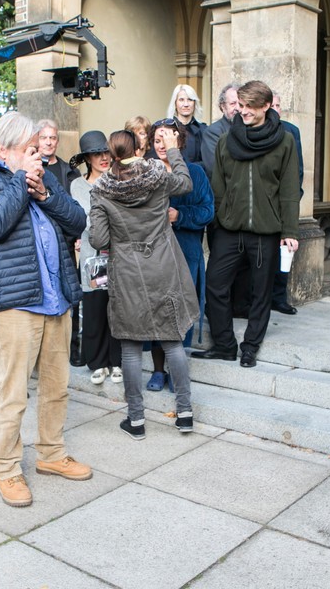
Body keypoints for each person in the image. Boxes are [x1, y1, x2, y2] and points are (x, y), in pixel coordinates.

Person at [0, 112, 92, 508]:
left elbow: (78, 220)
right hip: (14, 303)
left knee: (56, 386)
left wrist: (46, 195)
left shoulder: (44, 179)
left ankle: (52, 455)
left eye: (37, 148)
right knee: (13, 393)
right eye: (29, 149)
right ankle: (7, 470)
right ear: (4, 149)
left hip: (56, 298)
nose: (37, 155)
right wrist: (21, 182)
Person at [89, 130, 199, 439]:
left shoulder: (101, 190)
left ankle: (135, 419)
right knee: (172, 339)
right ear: (140, 147)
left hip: (127, 270)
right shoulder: (157, 176)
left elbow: (97, 239)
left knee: (131, 345)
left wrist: (121, 235)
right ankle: (185, 413)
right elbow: (186, 184)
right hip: (163, 263)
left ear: (111, 154)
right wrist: (174, 150)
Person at [193, 80, 300, 368]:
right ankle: (225, 345)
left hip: (266, 231)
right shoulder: (228, 141)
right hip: (229, 228)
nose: (244, 111)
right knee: (215, 284)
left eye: (250, 106)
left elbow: (289, 189)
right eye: (241, 106)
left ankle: (250, 347)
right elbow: (218, 186)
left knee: (260, 292)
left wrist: (289, 231)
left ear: (266, 106)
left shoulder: (284, 140)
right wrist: (216, 220)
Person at [144, 118, 214, 392]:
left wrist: (180, 215)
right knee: (155, 315)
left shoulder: (195, 173)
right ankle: (158, 370)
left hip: (186, 253)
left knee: (179, 315)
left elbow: (208, 211)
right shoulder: (146, 172)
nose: (162, 145)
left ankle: (176, 370)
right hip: (153, 258)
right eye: (157, 139)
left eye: (169, 138)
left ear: (180, 142)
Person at [70, 131, 123, 386]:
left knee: (118, 309)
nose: (103, 158)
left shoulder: (119, 180)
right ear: (86, 158)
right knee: (94, 310)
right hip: (91, 257)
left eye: (105, 152)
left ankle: (117, 361)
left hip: (120, 256)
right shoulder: (77, 186)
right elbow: (85, 220)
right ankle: (97, 362)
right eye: (96, 154)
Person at [34, 118, 84, 368]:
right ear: (37, 140)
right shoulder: (30, 168)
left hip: (65, 244)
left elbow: (75, 209)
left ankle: (73, 349)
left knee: (71, 297)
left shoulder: (68, 171)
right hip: (39, 245)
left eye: (52, 138)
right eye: (44, 138)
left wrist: (77, 236)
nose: (49, 142)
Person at [269, 91, 305, 315]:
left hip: (285, 204)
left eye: (279, 105)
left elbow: (298, 169)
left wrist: (292, 197)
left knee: (285, 252)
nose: (275, 109)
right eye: (272, 105)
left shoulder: (292, 131)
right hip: (266, 204)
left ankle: (279, 297)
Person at [200, 83, 240, 178]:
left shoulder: (251, 127)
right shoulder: (212, 132)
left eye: (241, 103)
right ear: (223, 106)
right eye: (233, 103)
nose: (238, 108)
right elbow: (214, 168)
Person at [166, 83, 204, 168]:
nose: (186, 104)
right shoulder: (167, 130)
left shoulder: (204, 130)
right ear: (175, 103)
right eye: (181, 100)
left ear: (195, 103)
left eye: (190, 100)